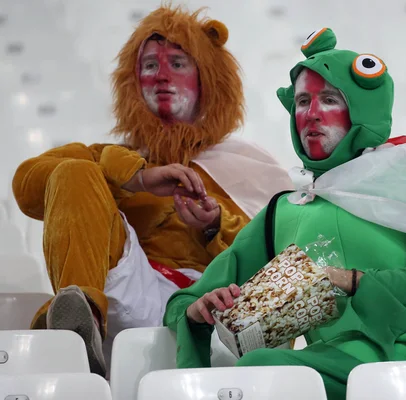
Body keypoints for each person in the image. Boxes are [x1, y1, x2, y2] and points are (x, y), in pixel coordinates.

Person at [164, 28, 406, 400]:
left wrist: (352, 281)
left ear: (362, 110)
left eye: (329, 99)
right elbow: (186, 302)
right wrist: (199, 311)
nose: (311, 115)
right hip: (345, 363)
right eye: (301, 102)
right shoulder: (281, 211)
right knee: (261, 369)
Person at [12, 5, 291, 377]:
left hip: (206, 302)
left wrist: (214, 225)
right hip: (126, 291)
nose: (161, 76)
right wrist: (134, 176)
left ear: (208, 78)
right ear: (131, 81)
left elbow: (283, 255)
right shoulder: (115, 158)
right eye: (148, 66)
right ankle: (78, 332)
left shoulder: (247, 161)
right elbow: (27, 185)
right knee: (75, 171)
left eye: (177, 63)